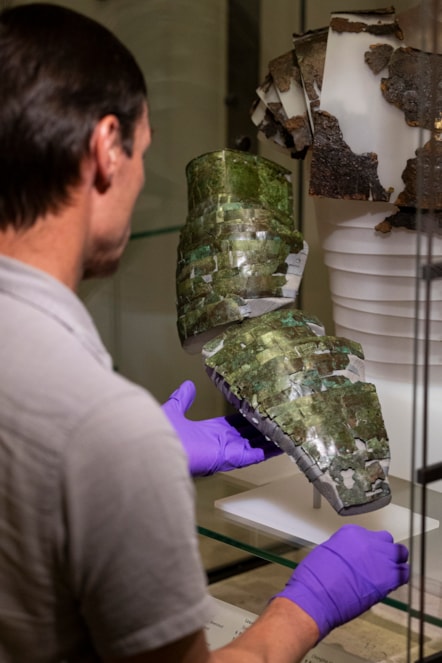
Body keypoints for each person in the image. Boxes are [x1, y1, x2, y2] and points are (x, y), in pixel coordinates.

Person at [0, 3, 410, 663]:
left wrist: (135, 451)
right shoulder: (102, 427)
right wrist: (305, 608)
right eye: (145, 152)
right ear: (108, 148)